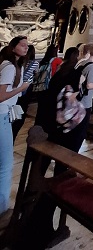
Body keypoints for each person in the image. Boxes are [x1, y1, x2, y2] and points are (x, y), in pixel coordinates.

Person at [0, 36, 30, 218]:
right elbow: (1, 96)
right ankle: (2, 209)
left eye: (27, 45)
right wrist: (22, 88)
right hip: (1, 115)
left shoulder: (9, 65)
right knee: (6, 165)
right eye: (22, 45)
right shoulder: (10, 67)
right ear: (13, 47)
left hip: (4, 114)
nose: (26, 48)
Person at [72, 42, 93, 152]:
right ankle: (74, 151)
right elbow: (89, 85)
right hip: (85, 101)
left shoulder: (82, 63)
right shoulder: (92, 66)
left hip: (77, 99)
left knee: (75, 126)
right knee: (81, 129)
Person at [12, 44, 39, 141]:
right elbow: (36, 74)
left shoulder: (21, 61)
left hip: (17, 85)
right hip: (27, 87)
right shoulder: (34, 63)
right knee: (23, 107)